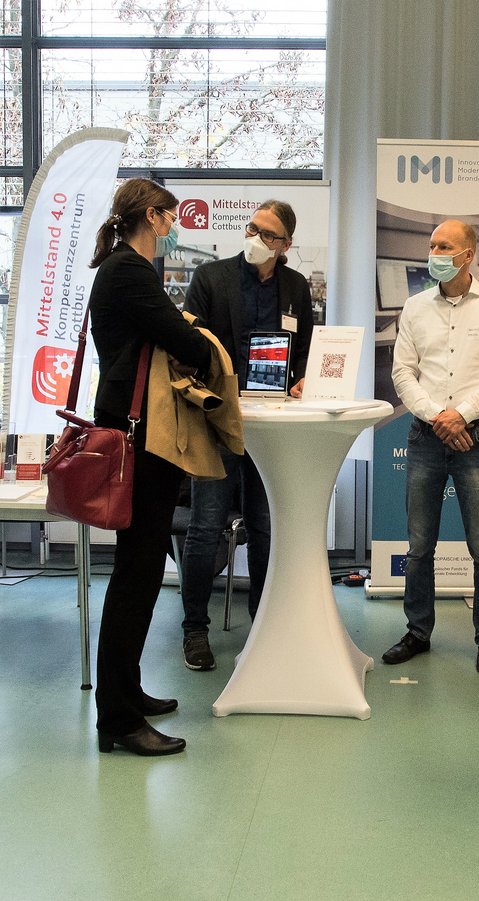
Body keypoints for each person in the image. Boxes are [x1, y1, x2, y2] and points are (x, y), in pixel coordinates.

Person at [89, 178, 214, 755]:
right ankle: (117, 720)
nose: (174, 225)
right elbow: (183, 342)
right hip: (139, 442)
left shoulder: (123, 269)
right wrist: (206, 346)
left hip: (138, 436)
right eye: (168, 215)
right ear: (151, 215)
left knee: (136, 573)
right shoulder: (129, 272)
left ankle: (128, 692)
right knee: (136, 576)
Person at [178, 200, 314, 671]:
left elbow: (304, 355)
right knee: (206, 526)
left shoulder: (296, 287)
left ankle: (263, 624)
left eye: (267, 233)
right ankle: (195, 629)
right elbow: (185, 349)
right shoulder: (211, 279)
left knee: (264, 526)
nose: (255, 237)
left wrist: (299, 379)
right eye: (252, 227)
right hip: (217, 424)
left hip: (271, 430)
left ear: (285, 246)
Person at [384, 219, 479, 674]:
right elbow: (403, 372)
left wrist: (460, 414)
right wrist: (437, 417)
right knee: (419, 545)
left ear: (468, 255)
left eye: (445, 246)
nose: (435, 252)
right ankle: (418, 632)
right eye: (432, 245)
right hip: (425, 436)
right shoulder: (415, 306)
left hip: (476, 438)